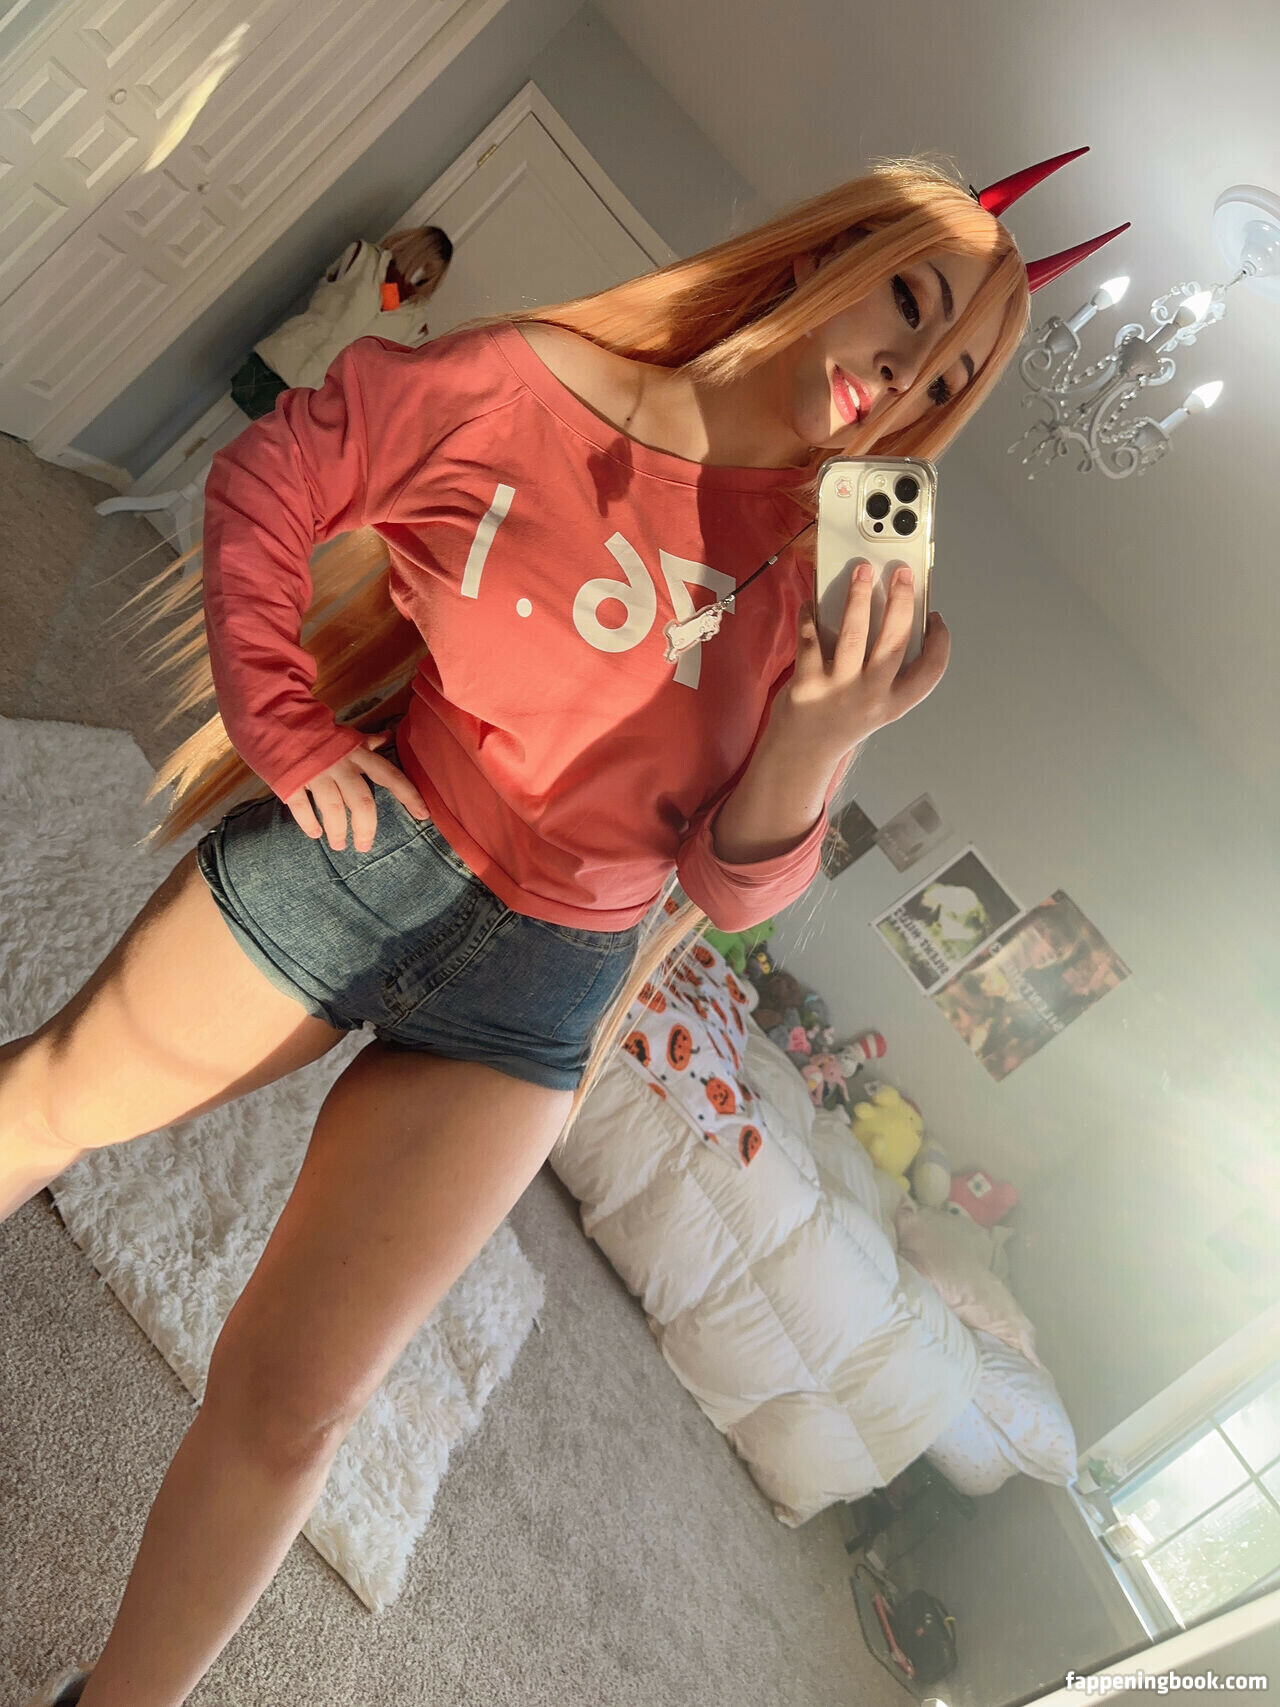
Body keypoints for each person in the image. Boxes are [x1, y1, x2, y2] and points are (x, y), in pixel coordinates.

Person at [5, 147, 1125, 1706]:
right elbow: (280, 472)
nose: (901, 374)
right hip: (366, 854)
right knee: (41, 1104)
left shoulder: (828, 577)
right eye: (910, 307)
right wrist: (282, 719)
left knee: (297, 1408)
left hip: (542, 993)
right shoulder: (542, 382)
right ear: (827, 257)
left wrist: (822, 732)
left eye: (947, 378)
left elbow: (729, 888)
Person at [230, 223, 454, 419]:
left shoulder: (415, 323)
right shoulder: (362, 258)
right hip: (275, 366)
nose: (421, 270)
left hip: (312, 404)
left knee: (259, 452)